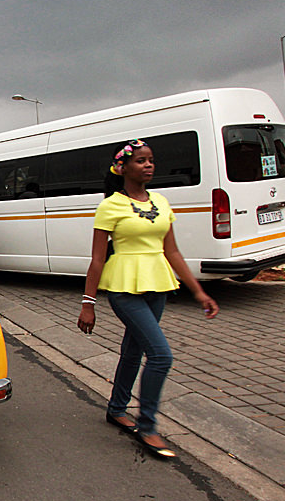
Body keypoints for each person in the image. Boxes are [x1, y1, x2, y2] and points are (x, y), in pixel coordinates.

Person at [77, 139, 218, 458]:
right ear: (123, 168)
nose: (149, 165)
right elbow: (98, 259)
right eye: (141, 160)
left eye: (151, 160)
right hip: (124, 289)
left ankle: (116, 408)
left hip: (158, 286)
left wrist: (199, 291)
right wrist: (89, 303)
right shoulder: (110, 205)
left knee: (132, 350)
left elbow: (173, 251)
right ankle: (149, 426)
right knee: (160, 355)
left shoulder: (162, 202)